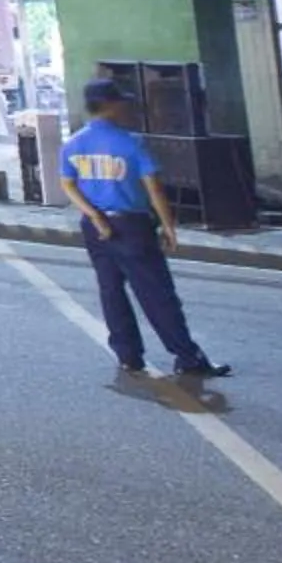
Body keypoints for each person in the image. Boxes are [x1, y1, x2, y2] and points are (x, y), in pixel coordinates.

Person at [58, 78, 229, 381]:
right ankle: (187, 357)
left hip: (96, 229)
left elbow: (68, 184)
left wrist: (95, 217)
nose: (126, 106)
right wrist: (168, 225)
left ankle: (128, 356)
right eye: (121, 101)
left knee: (111, 292)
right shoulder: (130, 142)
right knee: (157, 294)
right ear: (110, 105)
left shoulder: (73, 143)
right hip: (131, 226)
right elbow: (154, 189)